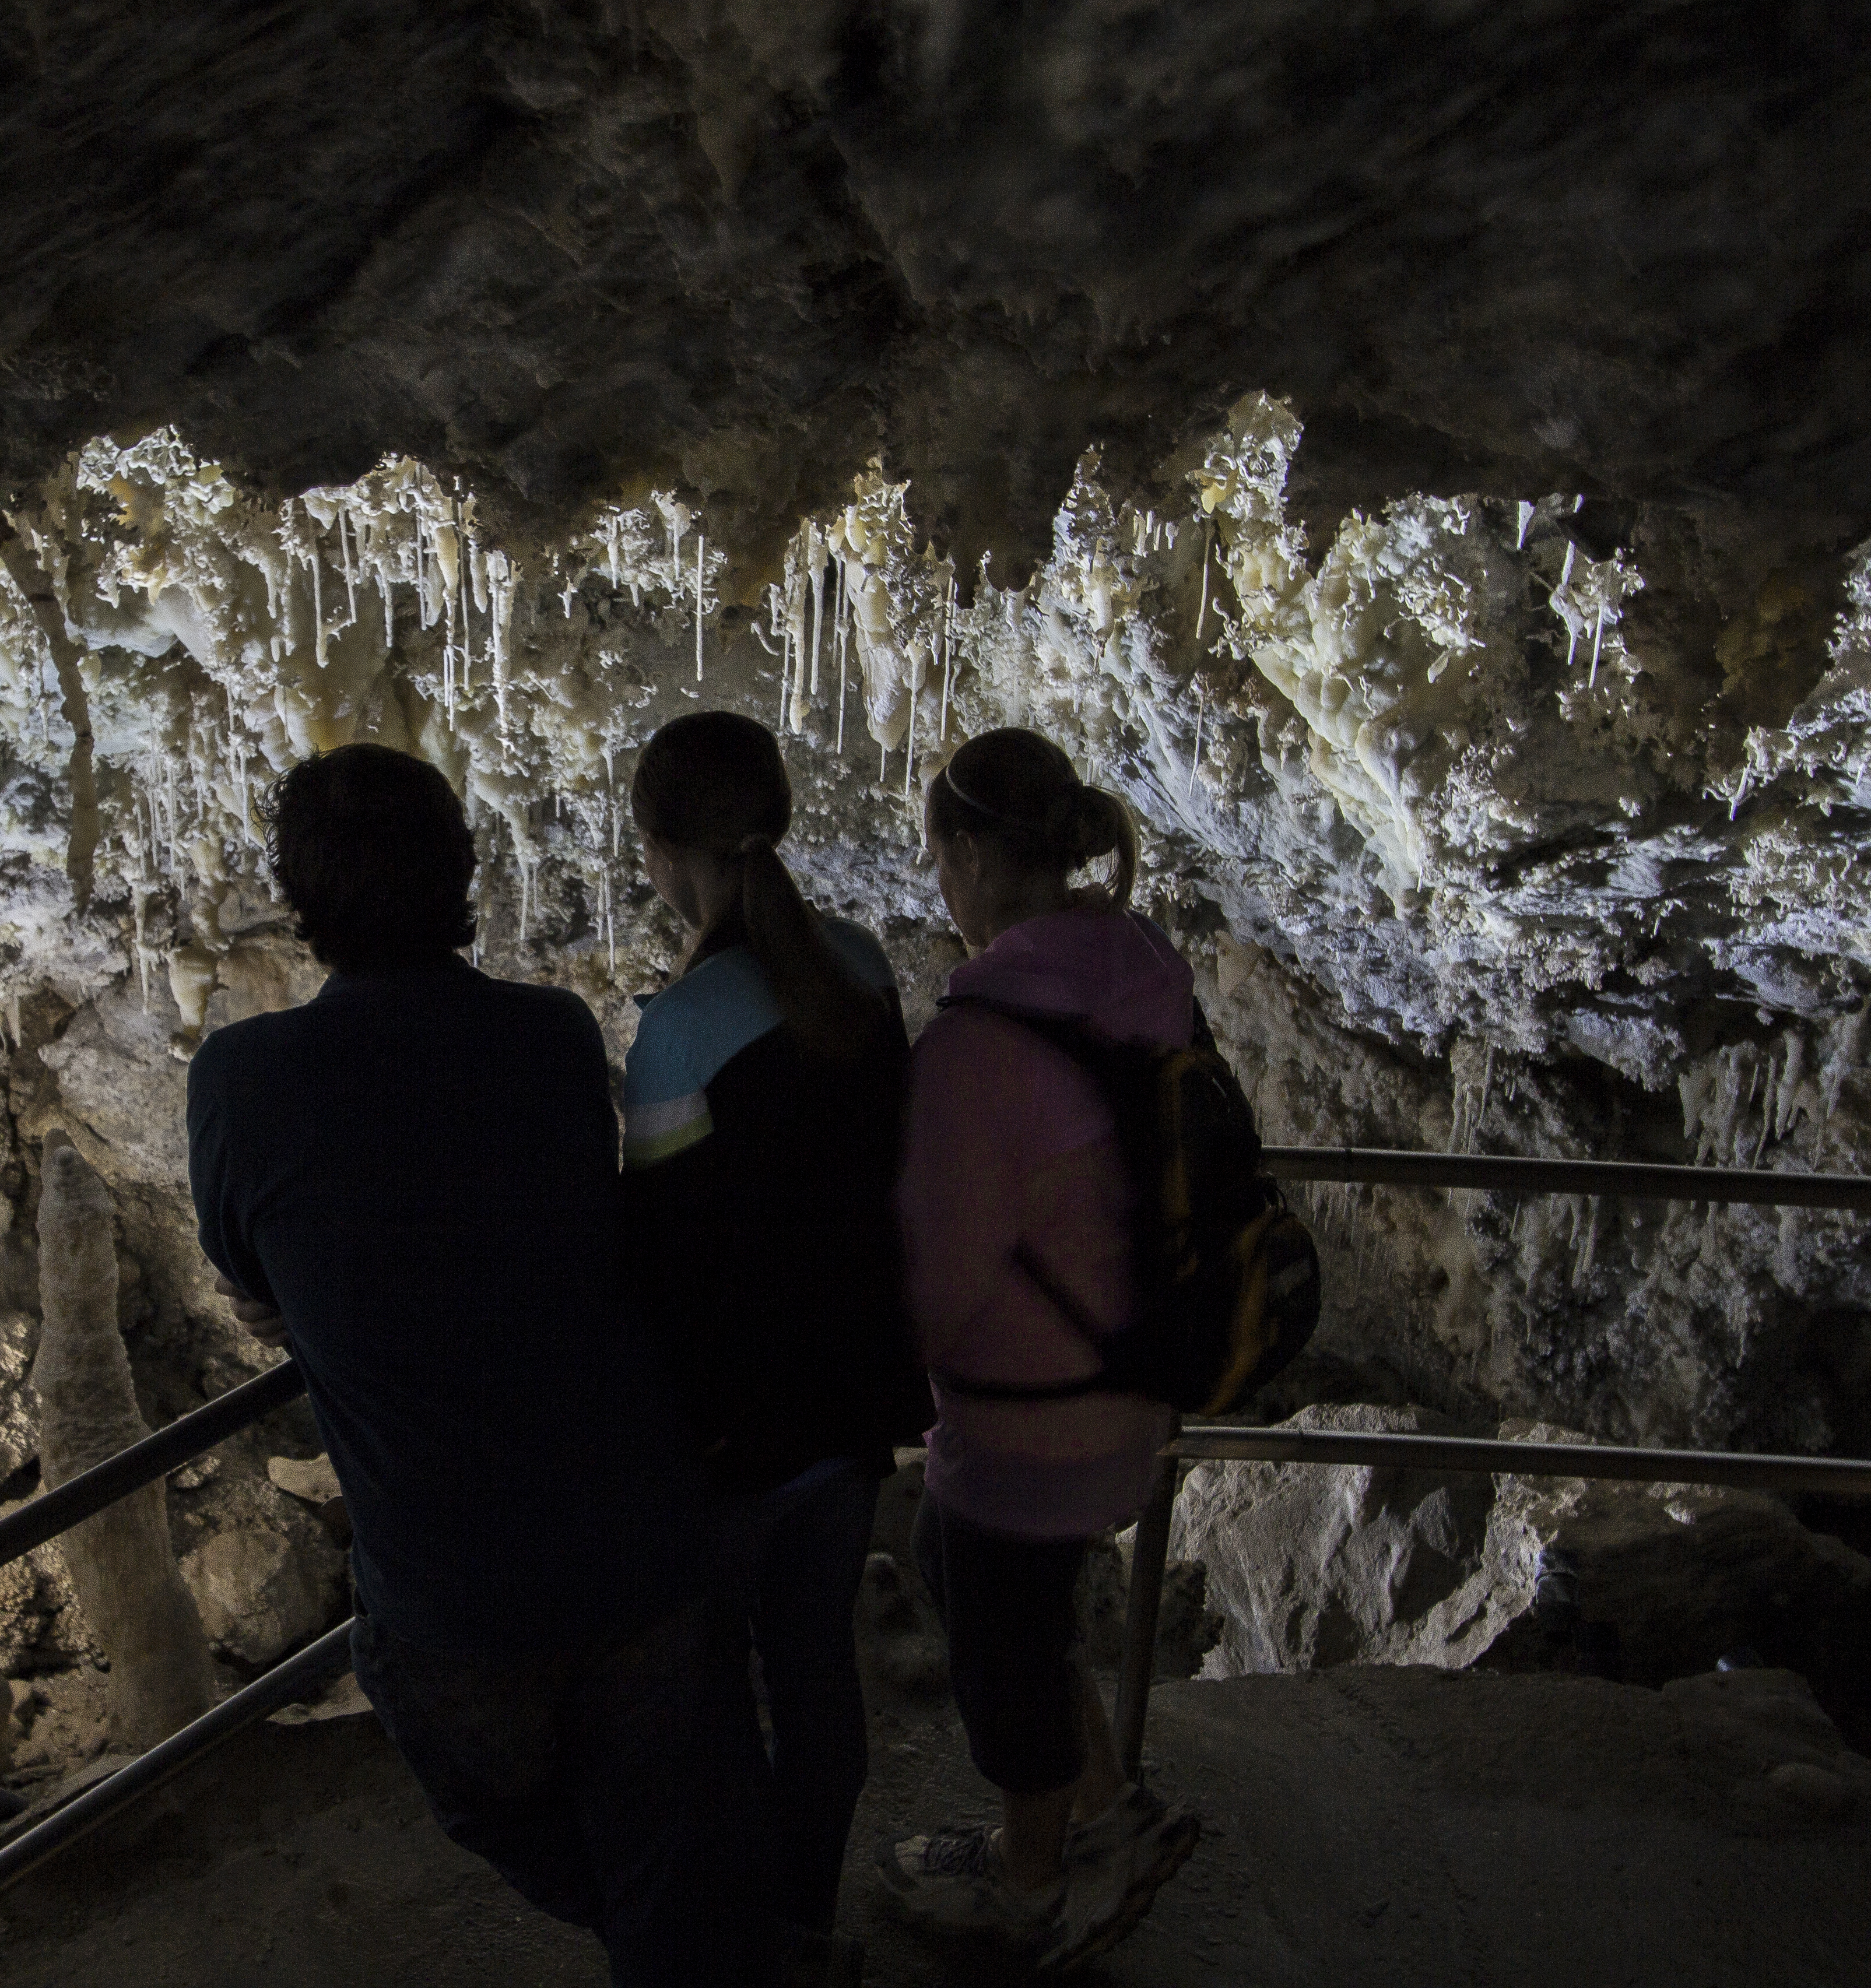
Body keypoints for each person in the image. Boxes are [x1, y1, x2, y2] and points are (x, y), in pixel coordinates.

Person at [185, 742, 796, 1988]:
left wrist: (315, 1299)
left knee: (511, 1813)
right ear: (462, 874)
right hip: (636, 1541)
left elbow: (253, 1271)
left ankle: (675, 1939)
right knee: (671, 1858)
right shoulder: (551, 1038)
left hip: (449, 1597)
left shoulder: (242, 1082)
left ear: (298, 899)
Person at [872, 728, 1203, 1965]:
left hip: (1029, 1415)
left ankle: (1035, 1881)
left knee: (999, 1648)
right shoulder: (1144, 965)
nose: (935, 888)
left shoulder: (978, 1045)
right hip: (1142, 1380)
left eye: (935, 861)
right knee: (970, 1581)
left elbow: (941, 1290)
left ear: (965, 855)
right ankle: (1113, 1813)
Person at [619, 711, 928, 1939]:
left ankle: (737, 1939)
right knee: (815, 1676)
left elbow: (666, 1262)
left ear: (661, 852)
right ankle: (807, 1923)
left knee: (710, 1697)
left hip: (733, 1439)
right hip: (851, 1411)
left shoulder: (680, 1033)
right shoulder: (861, 968)